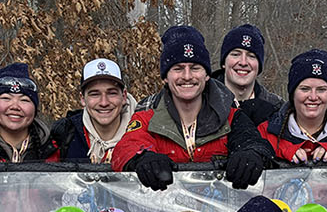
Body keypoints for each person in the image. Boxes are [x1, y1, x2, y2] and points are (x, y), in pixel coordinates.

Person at [114, 25, 273, 191]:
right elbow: (125, 148)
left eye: (195, 68)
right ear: (165, 77)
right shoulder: (147, 119)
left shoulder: (231, 117)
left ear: (207, 75)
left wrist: (252, 154)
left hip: (218, 211)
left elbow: (254, 142)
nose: (187, 76)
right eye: (178, 68)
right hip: (164, 209)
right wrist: (142, 157)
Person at [51, 58, 139, 163]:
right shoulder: (65, 135)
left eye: (112, 93)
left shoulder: (144, 133)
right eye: (95, 94)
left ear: (124, 96)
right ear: (82, 99)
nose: (104, 103)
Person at [0, 63, 59, 163]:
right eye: (6, 98)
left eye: (24, 100)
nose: (15, 106)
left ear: (35, 109)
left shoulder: (55, 150)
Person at [215, 24, 282, 125]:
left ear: (259, 66)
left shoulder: (277, 109)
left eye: (251, 56)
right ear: (224, 62)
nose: (243, 62)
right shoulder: (204, 102)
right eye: (236, 54)